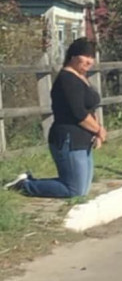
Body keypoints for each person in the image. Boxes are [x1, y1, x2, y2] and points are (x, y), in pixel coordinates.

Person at [5, 38, 106, 198]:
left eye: (92, 57)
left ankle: (29, 181)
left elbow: (90, 108)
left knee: (82, 189)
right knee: (75, 190)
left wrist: (96, 132)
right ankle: (24, 186)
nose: (89, 61)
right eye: (85, 56)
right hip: (68, 140)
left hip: (83, 140)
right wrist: (99, 130)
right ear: (73, 56)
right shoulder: (67, 79)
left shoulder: (82, 78)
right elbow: (78, 113)